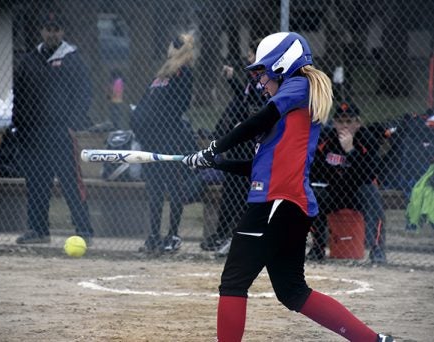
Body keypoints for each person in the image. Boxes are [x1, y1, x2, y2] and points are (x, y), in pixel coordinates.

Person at [184, 32, 394, 342]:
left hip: (277, 203)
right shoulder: (286, 116)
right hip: (285, 203)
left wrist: (215, 147)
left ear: (283, 65)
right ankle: (373, 341)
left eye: (263, 73)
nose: (260, 82)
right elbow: (257, 168)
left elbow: (256, 120)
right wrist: (214, 162)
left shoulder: (300, 84)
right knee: (293, 292)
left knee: (234, 280)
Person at [13, 13, 94, 245]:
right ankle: (38, 231)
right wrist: (19, 126)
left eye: (56, 29)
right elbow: (19, 96)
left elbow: (84, 94)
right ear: (41, 31)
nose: (52, 33)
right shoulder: (29, 60)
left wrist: (72, 124)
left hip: (61, 133)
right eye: (48, 29)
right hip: (33, 134)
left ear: (63, 32)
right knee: (37, 182)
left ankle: (84, 230)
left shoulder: (72, 59)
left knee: (70, 182)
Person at [131, 33, 197, 253]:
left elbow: (181, 104)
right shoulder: (161, 73)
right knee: (155, 189)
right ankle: (153, 236)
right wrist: (138, 122)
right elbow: (146, 101)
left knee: (173, 186)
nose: (172, 47)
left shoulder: (184, 72)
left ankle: (173, 234)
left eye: (177, 44)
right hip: (151, 139)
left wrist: (157, 121)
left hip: (170, 138)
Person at [200, 40, 266, 255]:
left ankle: (234, 234)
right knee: (231, 188)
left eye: (252, 55)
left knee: (241, 190)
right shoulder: (251, 79)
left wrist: (243, 123)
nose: (248, 58)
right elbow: (242, 100)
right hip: (242, 142)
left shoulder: (266, 79)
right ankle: (222, 233)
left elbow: (258, 106)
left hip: (255, 143)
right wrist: (232, 81)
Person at [307, 103, 387, 263]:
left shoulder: (367, 139)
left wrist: (350, 150)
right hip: (334, 191)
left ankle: (377, 250)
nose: (344, 125)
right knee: (311, 195)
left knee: (372, 195)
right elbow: (315, 171)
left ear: (358, 123)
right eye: (340, 121)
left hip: (358, 192)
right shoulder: (326, 139)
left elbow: (369, 174)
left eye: (349, 121)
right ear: (334, 122)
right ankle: (317, 247)